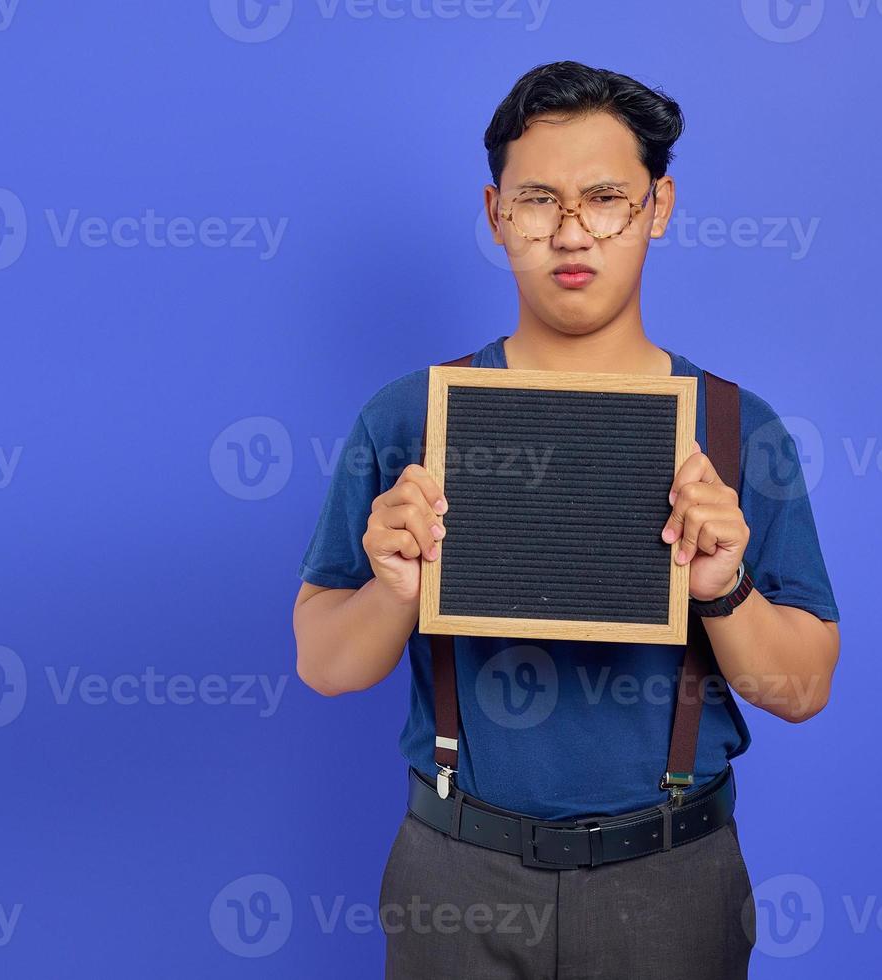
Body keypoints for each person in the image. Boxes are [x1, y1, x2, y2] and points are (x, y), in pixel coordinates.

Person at [293, 60, 840, 980]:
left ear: (658, 208)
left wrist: (725, 588)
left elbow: (802, 689)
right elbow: (324, 664)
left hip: (671, 874)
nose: (571, 232)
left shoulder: (738, 431)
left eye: (606, 199)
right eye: (538, 200)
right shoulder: (409, 418)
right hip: (456, 874)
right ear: (497, 211)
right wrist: (393, 590)